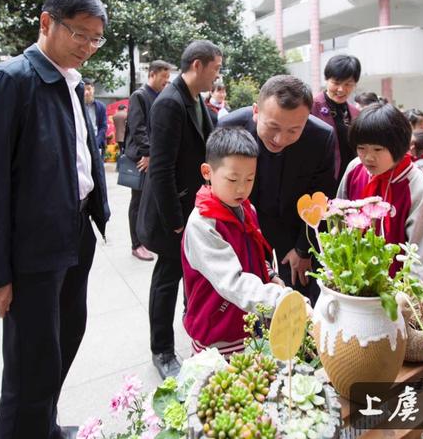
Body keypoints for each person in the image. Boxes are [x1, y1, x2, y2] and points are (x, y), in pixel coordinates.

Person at [0, 0, 110, 439]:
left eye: (96, 38)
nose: (87, 47)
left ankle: (42, 427)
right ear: (46, 23)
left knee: (61, 345)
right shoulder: (11, 80)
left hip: (74, 233)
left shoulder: (70, 81)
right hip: (33, 250)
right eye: (79, 34)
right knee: (29, 368)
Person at [136, 39, 222, 379]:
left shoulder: (194, 98)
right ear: (197, 66)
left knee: (192, 276)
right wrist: (174, 221)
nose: (217, 76)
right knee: (167, 280)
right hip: (170, 214)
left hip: (191, 209)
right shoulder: (169, 103)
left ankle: (195, 333)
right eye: (215, 68)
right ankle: (162, 350)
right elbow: (160, 169)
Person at [220, 75, 337, 303]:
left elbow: (321, 198)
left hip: (292, 233)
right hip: (243, 227)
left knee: (295, 301)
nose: (280, 138)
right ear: (256, 111)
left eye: (293, 130)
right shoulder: (230, 127)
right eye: (272, 126)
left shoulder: (321, 138)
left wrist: (303, 249)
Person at [182, 127, 291, 356]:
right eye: (232, 179)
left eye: (250, 179)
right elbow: (232, 281)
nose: (242, 188)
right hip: (218, 331)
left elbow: (256, 252)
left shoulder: (245, 208)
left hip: (247, 322)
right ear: (207, 172)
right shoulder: (203, 223)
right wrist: (283, 299)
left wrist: (271, 276)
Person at [336, 103, 423, 283]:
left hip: (396, 294)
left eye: (378, 149)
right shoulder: (355, 169)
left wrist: (408, 300)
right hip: (353, 284)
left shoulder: (416, 187)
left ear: (399, 147)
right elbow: (339, 221)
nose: (368, 157)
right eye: (361, 148)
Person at [124, 59, 173, 261]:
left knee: (148, 200)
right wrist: (149, 154)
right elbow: (138, 127)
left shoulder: (159, 96)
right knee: (137, 201)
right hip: (141, 158)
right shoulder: (140, 96)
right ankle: (137, 244)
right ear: (152, 74)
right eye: (164, 77)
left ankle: (146, 239)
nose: (166, 81)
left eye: (168, 78)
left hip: (151, 157)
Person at [311, 54, 361, 180]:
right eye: (336, 83)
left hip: (350, 179)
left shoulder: (356, 113)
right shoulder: (311, 107)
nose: (341, 89)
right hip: (319, 179)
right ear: (326, 79)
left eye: (348, 84)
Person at [83, 78, 108, 157]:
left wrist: (96, 143)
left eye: (89, 89)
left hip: (97, 143)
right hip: (82, 144)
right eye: (84, 90)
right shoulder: (77, 106)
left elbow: (103, 127)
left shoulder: (101, 106)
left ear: (93, 89)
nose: (86, 92)